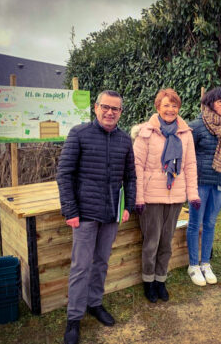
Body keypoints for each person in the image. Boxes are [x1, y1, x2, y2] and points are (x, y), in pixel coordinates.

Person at [57, 90, 136, 344]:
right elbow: (65, 174)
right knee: (81, 267)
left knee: (101, 262)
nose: (110, 112)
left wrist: (127, 206)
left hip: (111, 213)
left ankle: (95, 303)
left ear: (121, 112)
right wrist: (70, 211)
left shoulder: (125, 140)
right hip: (84, 214)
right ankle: (74, 318)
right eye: (106, 107)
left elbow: (131, 177)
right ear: (96, 108)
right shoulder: (79, 134)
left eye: (115, 108)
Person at [133, 88, 200, 303]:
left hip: (175, 196)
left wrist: (193, 194)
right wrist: (139, 197)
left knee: (166, 243)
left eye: (174, 105)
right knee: (151, 242)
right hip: (152, 198)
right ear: (158, 107)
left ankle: (161, 280)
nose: (170, 109)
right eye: (166, 105)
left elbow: (190, 165)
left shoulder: (185, 133)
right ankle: (149, 281)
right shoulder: (146, 132)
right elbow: (137, 166)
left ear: (178, 108)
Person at [186, 87, 221, 286]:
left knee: (210, 223)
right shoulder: (197, 126)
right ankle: (193, 264)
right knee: (194, 223)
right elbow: (188, 156)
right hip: (200, 183)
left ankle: (205, 263)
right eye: (220, 101)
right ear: (210, 103)